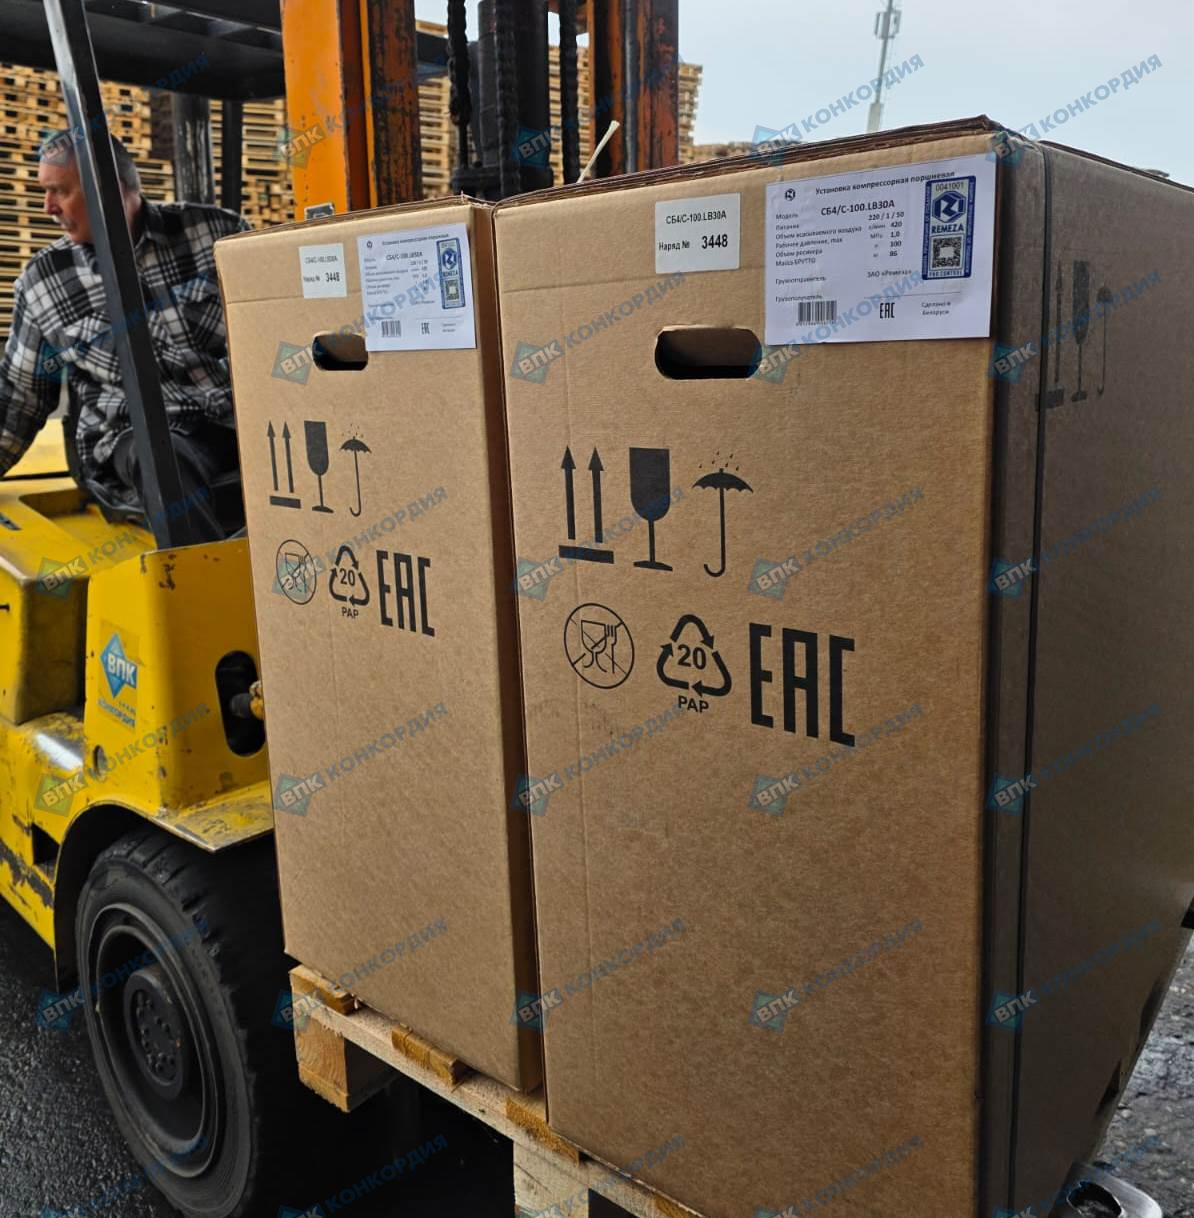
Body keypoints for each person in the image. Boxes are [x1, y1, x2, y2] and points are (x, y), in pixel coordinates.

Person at [0, 128, 250, 534]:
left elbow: (272, 330)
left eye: (59, 191)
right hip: (135, 439)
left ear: (107, 189)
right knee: (163, 456)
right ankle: (201, 572)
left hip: (231, 421)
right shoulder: (44, 281)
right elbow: (19, 398)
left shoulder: (217, 234)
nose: (48, 207)